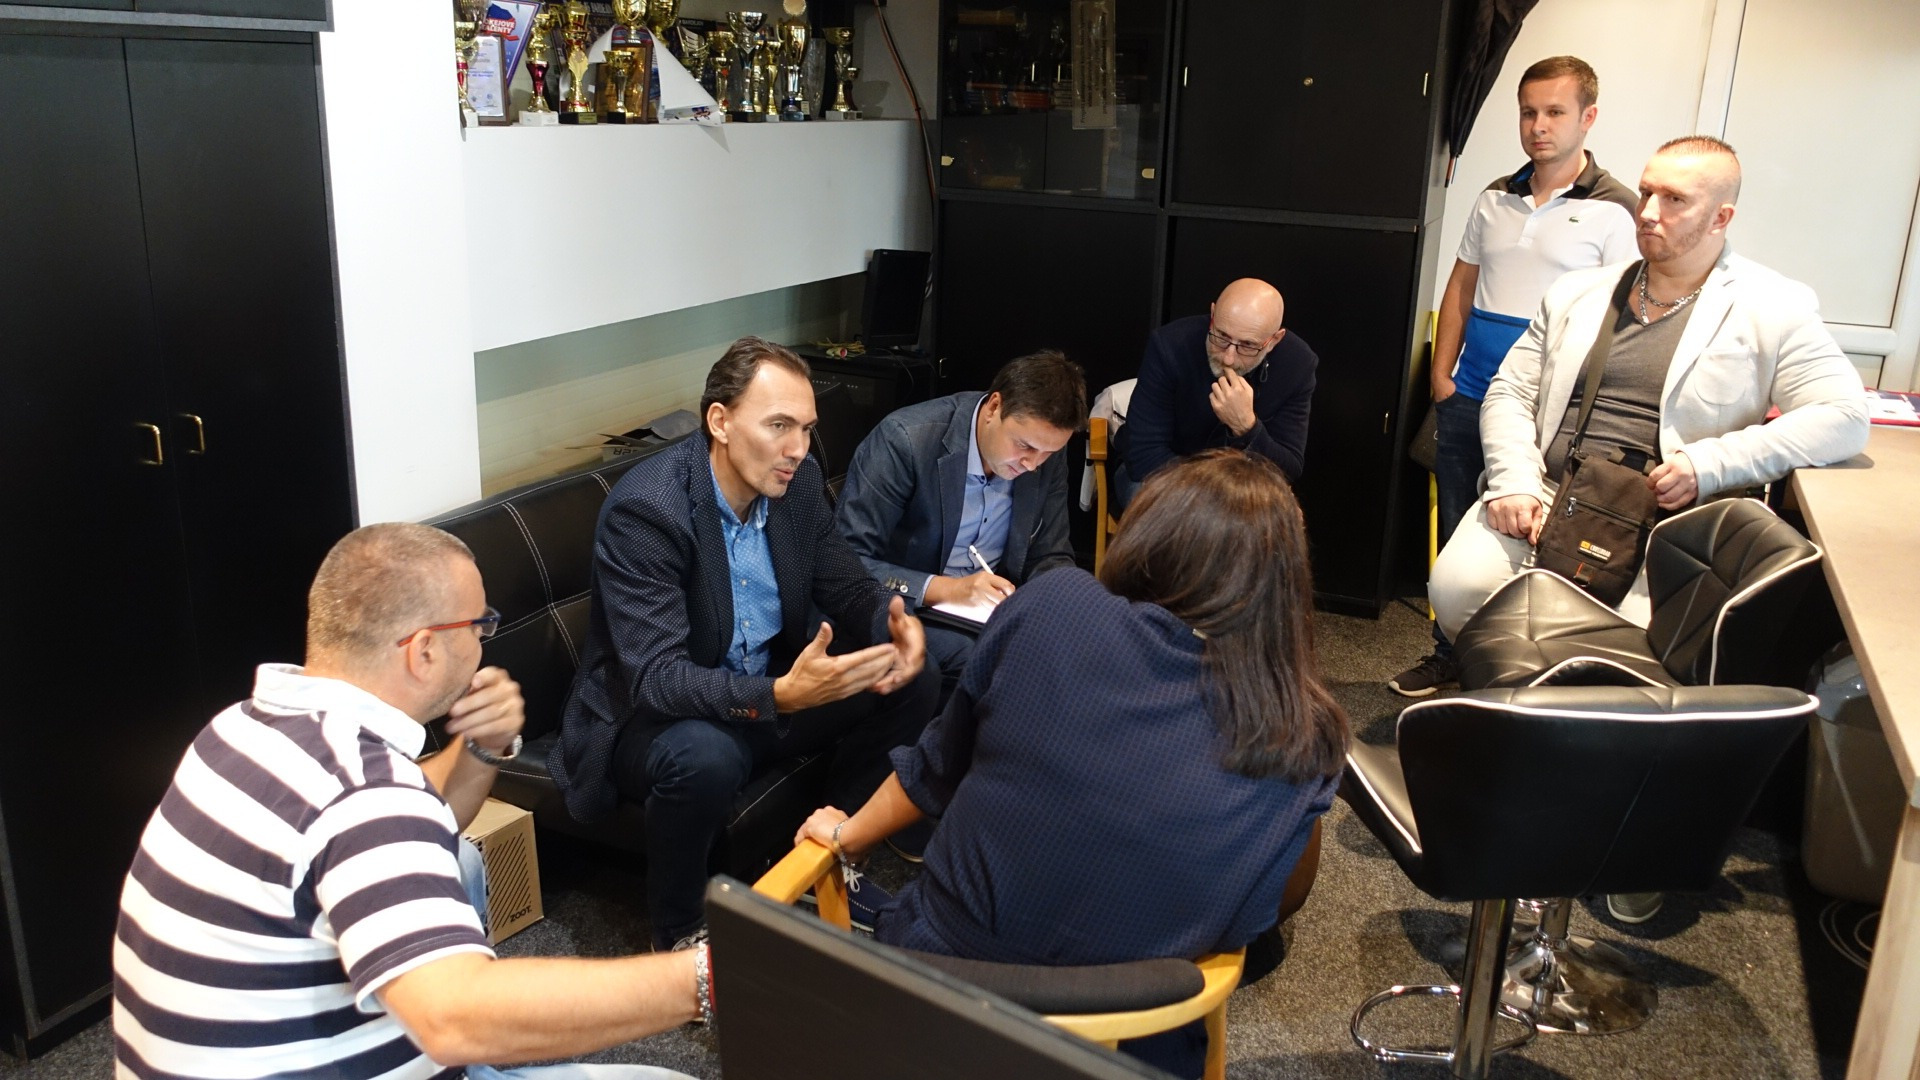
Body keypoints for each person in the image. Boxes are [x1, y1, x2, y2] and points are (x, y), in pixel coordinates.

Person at [799, 449, 1349, 1079]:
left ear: (1150, 535)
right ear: (1283, 587)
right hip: (1132, 1047)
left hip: (931, 1008)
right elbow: (1240, 924)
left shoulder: (1055, 605)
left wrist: (844, 836)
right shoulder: (1307, 734)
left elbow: (934, 770)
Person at [1429, 137, 1870, 921]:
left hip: (1663, 529)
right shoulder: (1581, 292)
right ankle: (1527, 776)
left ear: (1721, 217)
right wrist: (1515, 479)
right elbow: (1508, 394)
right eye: (1648, 192)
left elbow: (1843, 417)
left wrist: (1713, 462)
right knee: (1456, 588)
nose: (1650, 212)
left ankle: (1610, 821)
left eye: (1676, 200)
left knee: (1619, 675)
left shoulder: (1771, 304)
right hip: (1550, 499)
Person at [113, 523, 705, 1080]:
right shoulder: (364, 795)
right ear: (423, 651)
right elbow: (455, 1020)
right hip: (426, 1035)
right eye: (478, 626)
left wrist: (481, 746)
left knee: (460, 860)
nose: (483, 643)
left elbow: (416, 825)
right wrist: (703, 978)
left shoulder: (242, 727)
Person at [551, 337, 940, 951]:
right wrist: (780, 696)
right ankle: (679, 932)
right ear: (720, 422)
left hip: (764, 688)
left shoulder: (795, 484)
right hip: (651, 716)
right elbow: (657, 678)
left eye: (807, 429)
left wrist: (893, 621)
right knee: (705, 758)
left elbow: (843, 581)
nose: (798, 449)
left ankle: (826, 848)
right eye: (779, 425)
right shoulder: (649, 510)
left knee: (917, 677)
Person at [1391, 55, 1640, 698]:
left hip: (1547, 414)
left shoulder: (1618, 211)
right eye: (1529, 112)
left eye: (1555, 112)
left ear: (1588, 117)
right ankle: (1449, 655)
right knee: (1459, 536)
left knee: (1537, 538)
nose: (1539, 126)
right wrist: (1441, 376)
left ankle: (1512, 669)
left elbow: (1620, 318)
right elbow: (1461, 285)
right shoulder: (1494, 196)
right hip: (1468, 394)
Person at [833, 349, 1085, 687]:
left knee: (1075, 653)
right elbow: (845, 562)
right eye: (1024, 446)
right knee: (999, 664)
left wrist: (1061, 603)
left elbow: (1050, 553)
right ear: (994, 407)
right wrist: (949, 589)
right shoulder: (906, 440)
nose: (1032, 464)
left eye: (1048, 453)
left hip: (991, 609)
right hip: (906, 606)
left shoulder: (1044, 454)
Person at [1114, 278, 1317, 510]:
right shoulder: (1170, 345)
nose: (1228, 358)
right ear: (1213, 315)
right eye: (1221, 336)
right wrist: (1216, 499)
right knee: (1182, 519)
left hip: (1241, 489)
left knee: (1276, 520)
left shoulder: (1298, 365)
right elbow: (1144, 454)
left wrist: (1247, 427)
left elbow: (1287, 469)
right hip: (1161, 476)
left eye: (1247, 346)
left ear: (1274, 341)